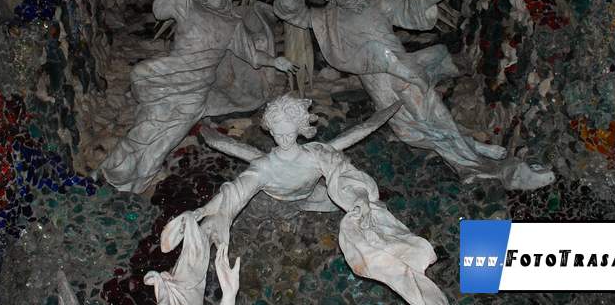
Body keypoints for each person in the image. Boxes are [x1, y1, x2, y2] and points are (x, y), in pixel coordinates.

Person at [273, 0, 555, 191]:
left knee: (433, 118)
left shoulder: (378, 2)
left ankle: (498, 170)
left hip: (404, 72)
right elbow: (294, 13)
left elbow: (407, 8)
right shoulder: (327, 17)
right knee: (409, 132)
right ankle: (472, 157)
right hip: (377, 82)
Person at [148, 94, 447, 305]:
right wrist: (207, 212)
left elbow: (344, 172)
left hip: (314, 198)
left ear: (300, 128)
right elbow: (236, 191)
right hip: (268, 205)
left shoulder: (317, 154)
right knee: (207, 230)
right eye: (277, 133)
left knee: (369, 216)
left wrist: (359, 198)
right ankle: (180, 290)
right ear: (270, 130)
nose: (283, 138)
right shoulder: (264, 167)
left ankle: (409, 270)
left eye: (289, 132)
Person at [98, 0, 297, 193]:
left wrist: (276, 61)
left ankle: (136, 185)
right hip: (168, 77)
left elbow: (252, 55)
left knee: (166, 139)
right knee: (145, 127)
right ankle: (112, 173)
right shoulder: (188, 6)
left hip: (196, 91)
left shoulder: (232, 24)